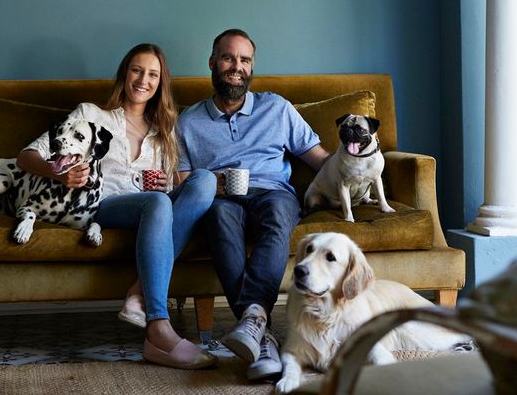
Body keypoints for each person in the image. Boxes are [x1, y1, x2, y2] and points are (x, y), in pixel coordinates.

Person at [17, 43, 218, 370]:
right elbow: (26, 156)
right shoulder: (90, 115)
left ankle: (138, 294)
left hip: (152, 207)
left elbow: (175, 187)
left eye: (153, 74)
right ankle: (158, 327)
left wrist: (167, 186)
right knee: (157, 203)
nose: (143, 80)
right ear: (125, 74)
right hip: (103, 206)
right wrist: (60, 172)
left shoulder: (164, 131)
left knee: (204, 181)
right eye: (137, 70)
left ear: (160, 82)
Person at [175, 29, 330, 380]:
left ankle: (254, 323)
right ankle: (263, 336)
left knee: (278, 214)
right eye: (229, 58)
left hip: (272, 192)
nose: (237, 67)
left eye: (245, 60)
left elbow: (321, 160)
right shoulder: (188, 121)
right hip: (221, 197)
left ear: (252, 67)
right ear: (213, 64)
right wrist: (215, 184)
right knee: (217, 218)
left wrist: (358, 167)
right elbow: (182, 182)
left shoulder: (277, 108)